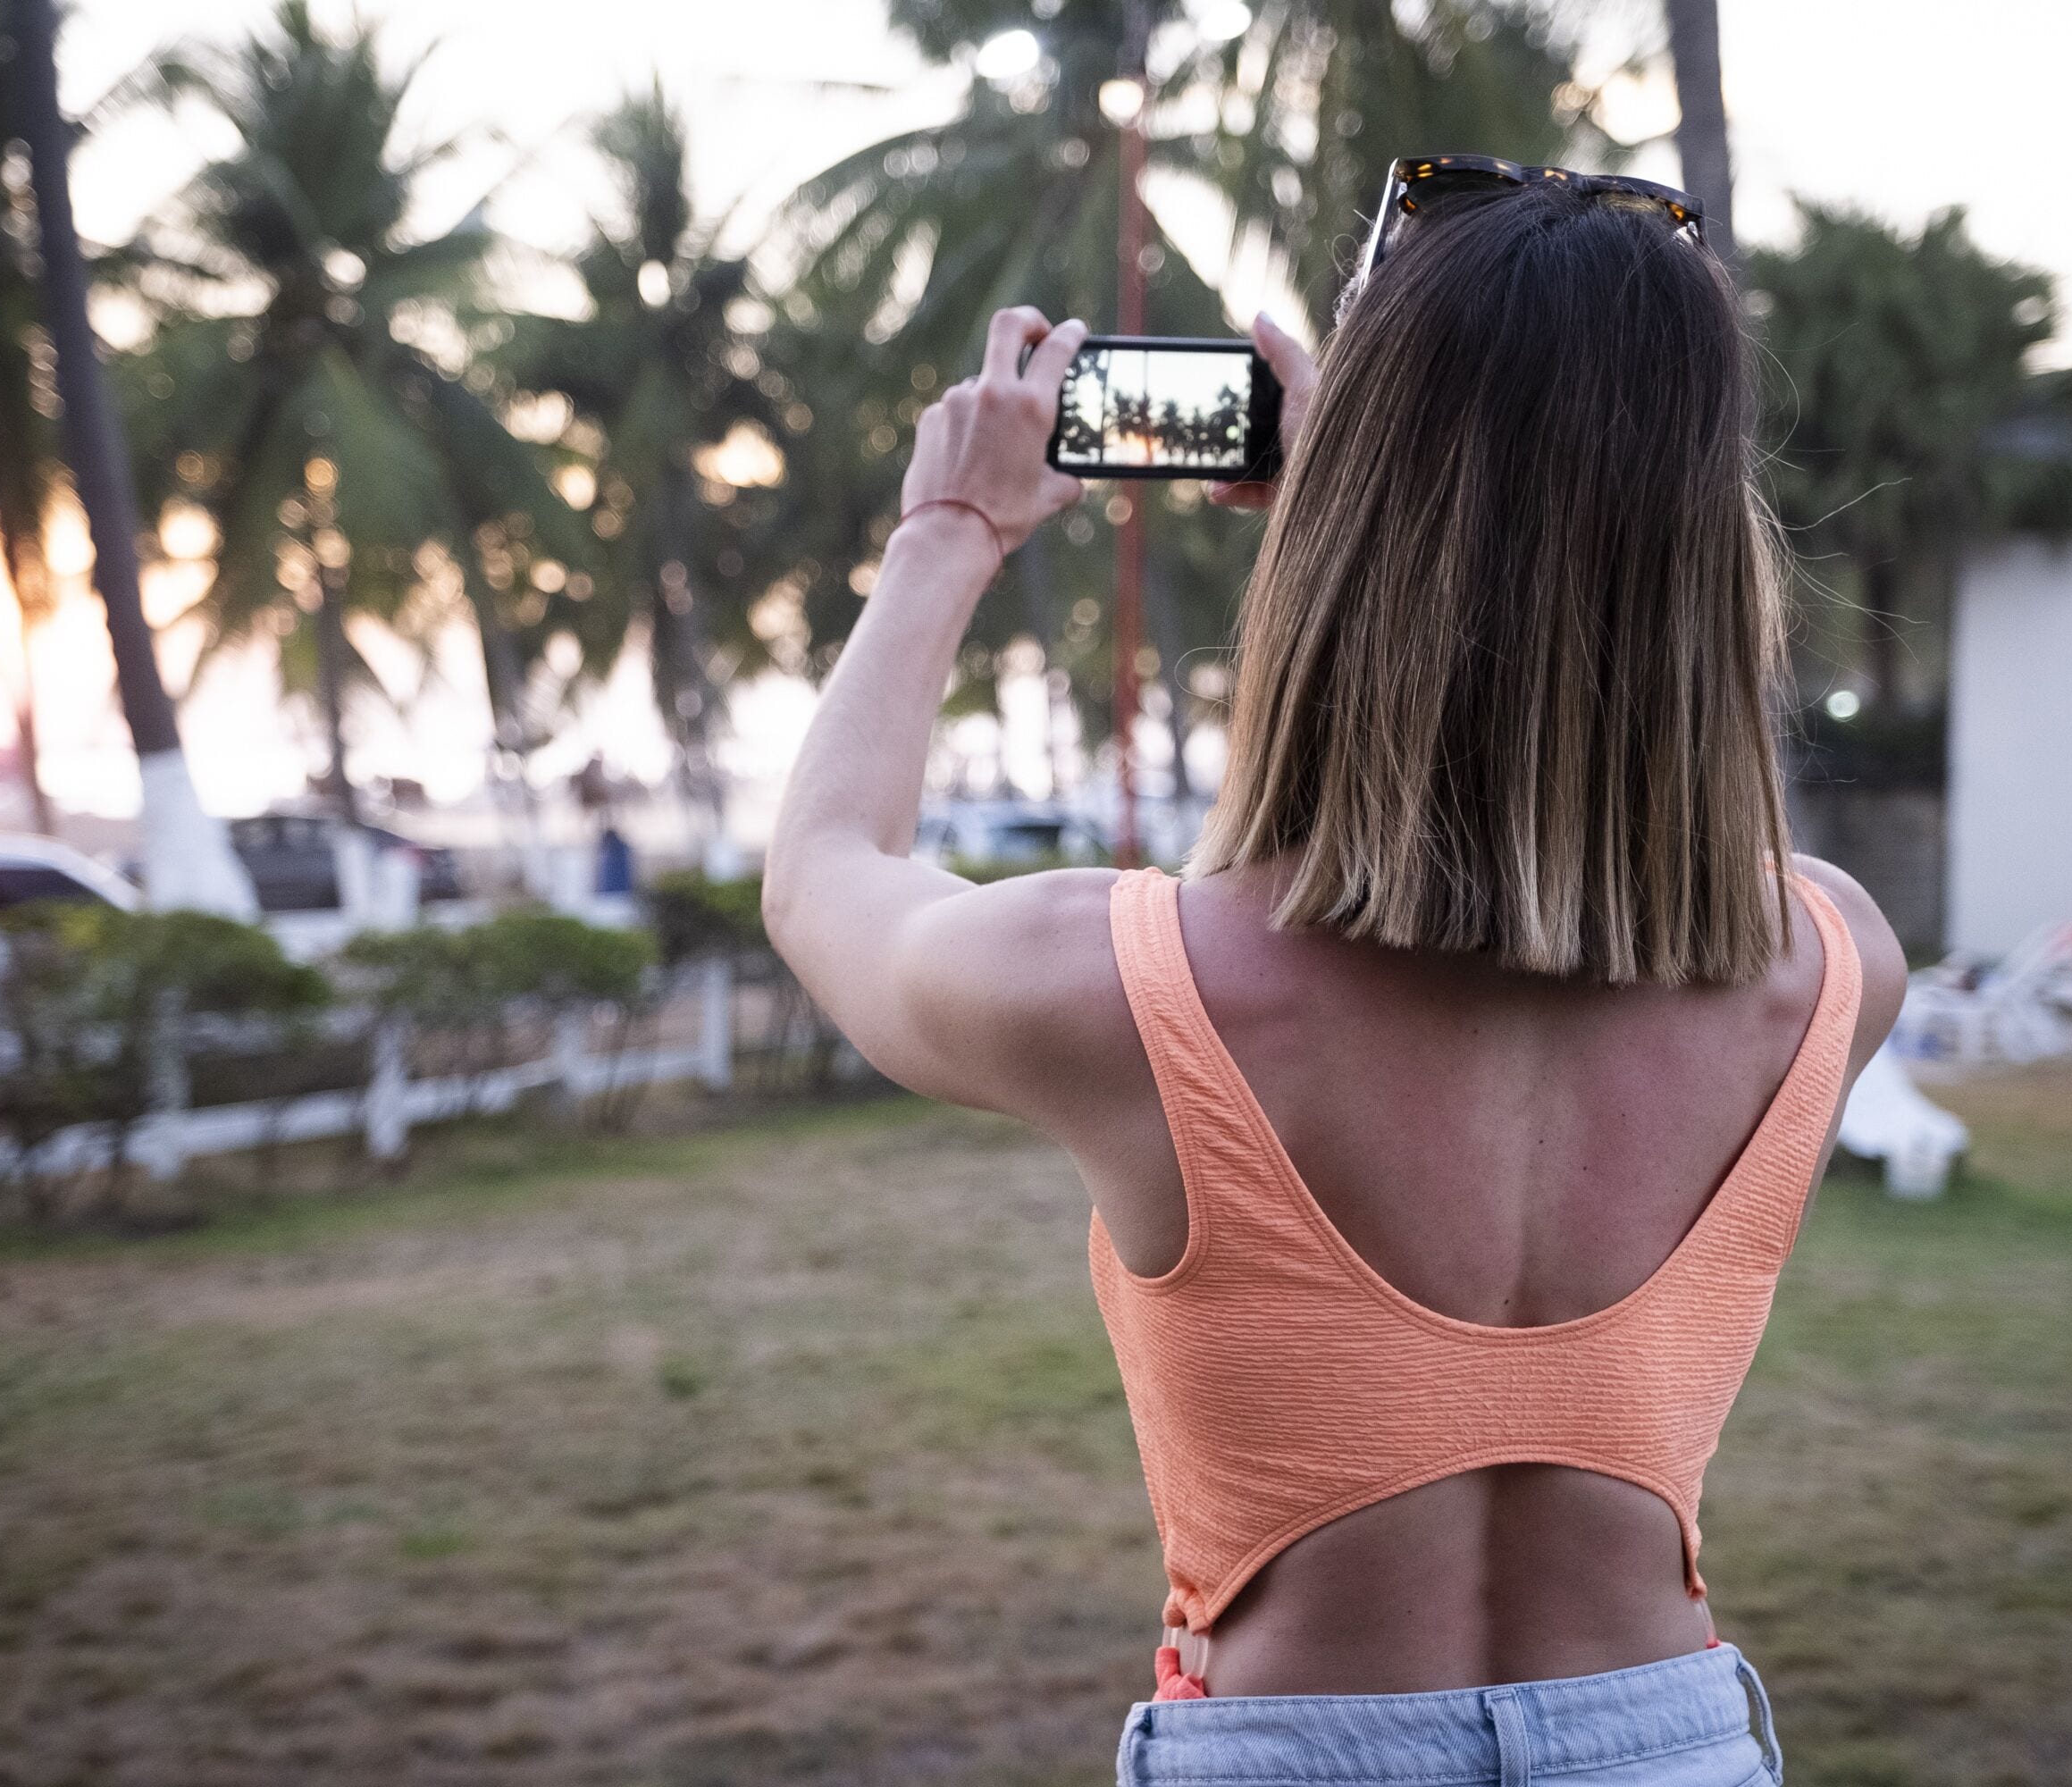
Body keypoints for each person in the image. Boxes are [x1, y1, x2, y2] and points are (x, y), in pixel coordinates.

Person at [763, 162, 1906, 1787]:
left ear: (1369, 522)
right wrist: (1384, 509)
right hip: (1668, 1747)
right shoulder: (1836, 965)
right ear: (1706, 544)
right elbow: (1620, 775)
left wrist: (949, 534)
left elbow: (825, 875)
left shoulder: (1132, 990)